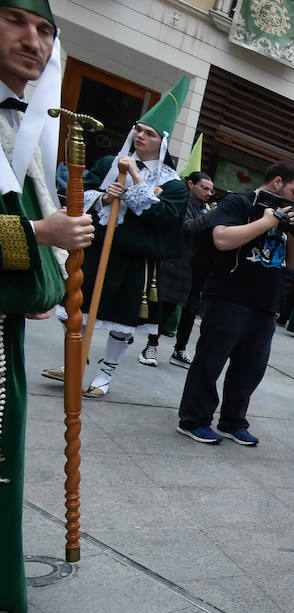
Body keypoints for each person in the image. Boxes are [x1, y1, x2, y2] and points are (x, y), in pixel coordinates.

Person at [0, 0, 95, 613]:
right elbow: (27, 226)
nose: (33, 40)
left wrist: (45, 279)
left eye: (45, 30)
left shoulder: (26, 126)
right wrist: (40, 233)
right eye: (16, 20)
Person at [42, 76, 189, 397]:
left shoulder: (174, 183)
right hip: (99, 249)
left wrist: (136, 178)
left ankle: (104, 376)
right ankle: (73, 365)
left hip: (135, 260)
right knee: (81, 308)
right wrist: (104, 198)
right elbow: (79, 194)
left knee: (123, 319)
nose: (140, 136)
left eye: (149, 133)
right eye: (138, 130)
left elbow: (162, 215)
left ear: (161, 143)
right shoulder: (110, 164)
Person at [175, 161, 294, 445]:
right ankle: (194, 419)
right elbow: (221, 238)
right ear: (277, 182)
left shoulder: (286, 217)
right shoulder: (239, 202)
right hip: (228, 295)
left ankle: (233, 421)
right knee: (210, 362)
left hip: (266, 303)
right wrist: (267, 222)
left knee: (250, 368)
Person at [141, 170, 214, 366]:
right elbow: (187, 227)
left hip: (196, 267)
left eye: (210, 190)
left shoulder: (205, 208)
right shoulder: (180, 202)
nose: (208, 193)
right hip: (175, 262)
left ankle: (180, 349)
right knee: (165, 306)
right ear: (191, 184)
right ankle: (151, 344)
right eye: (204, 188)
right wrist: (210, 217)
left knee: (190, 311)